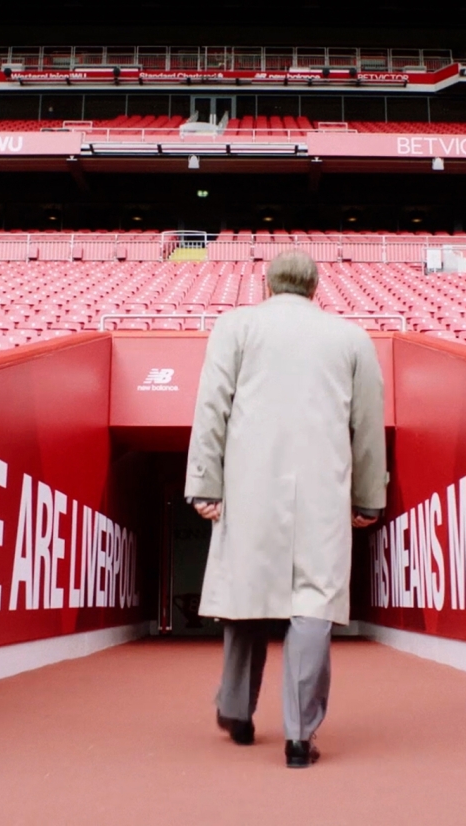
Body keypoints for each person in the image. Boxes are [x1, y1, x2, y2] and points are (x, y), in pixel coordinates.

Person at [184, 250, 387, 769]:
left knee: (245, 597)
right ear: (315, 289)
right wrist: (368, 496)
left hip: (251, 483)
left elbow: (212, 407)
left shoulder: (235, 326)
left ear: (269, 286)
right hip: (323, 489)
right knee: (314, 603)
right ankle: (300, 735)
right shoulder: (352, 338)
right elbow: (367, 430)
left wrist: (205, 483)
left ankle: (236, 711)